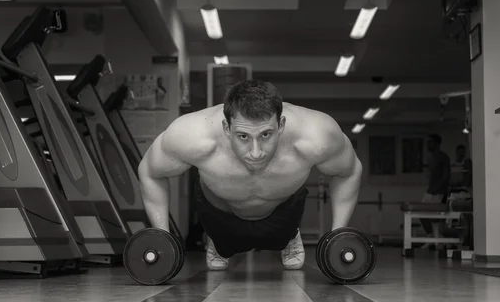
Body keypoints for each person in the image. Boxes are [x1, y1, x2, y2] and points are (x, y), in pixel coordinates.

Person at [138, 80, 363, 270]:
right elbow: (150, 171)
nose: (256, 152)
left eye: (266, 134)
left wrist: (338, 234)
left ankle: (290, 237)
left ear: (281, 124)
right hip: (219, 214)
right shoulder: (193, 136)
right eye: (243, 136)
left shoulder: (315, 136)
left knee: (283, 232)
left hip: (283, 213)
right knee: (223, 239)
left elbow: (349, 171)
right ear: (227, 128)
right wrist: (161, 236)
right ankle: (217, 242)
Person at [420, 134, 451, 238]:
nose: (428, 145)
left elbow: (446, 177)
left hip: (439, 193)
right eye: (427, 142)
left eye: (430, 142)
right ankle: (431, 237)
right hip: (430, 192)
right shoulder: (430, 158)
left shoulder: (443, 157)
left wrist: (439, 190)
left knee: (435, 218)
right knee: (421, 214)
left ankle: (438, 239)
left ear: (437, 143)